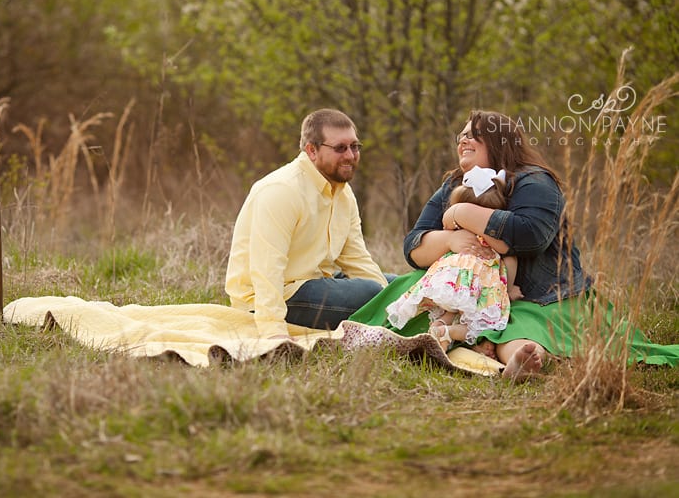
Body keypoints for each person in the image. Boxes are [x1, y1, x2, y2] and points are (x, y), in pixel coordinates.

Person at [349, 110, 596, 380]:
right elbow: (414, 246)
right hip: (468, 286)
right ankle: (441, 337)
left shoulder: (534, 181)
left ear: (500, 141)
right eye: (462, 135)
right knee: (413, 300)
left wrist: (461, 213)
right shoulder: (454, 183)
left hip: (534, 295)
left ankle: (522, 359)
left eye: (473, 135)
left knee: (518, 325)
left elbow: (530, 235)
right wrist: (451, 239)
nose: (463, 141)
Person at [225, 108, 391, 339]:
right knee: (371, 292)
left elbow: (356, 258)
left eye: (354, 146)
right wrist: (273, 331)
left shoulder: (342, 194)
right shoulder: (282, 190)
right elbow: (266, 268)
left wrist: (391, 299)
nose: (351, 156)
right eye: (340, 148)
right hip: (273, 296)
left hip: (317, 281)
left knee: (402, 285)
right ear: (311, 150)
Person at [385, 166, 521, 358]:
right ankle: (453, 334)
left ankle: (440, 330)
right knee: (483, 322)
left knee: (449, 312)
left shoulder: (455, 230)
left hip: (450, 278)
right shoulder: (493, 237)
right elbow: (510, 258)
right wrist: (509, 288)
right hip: (480, 284)